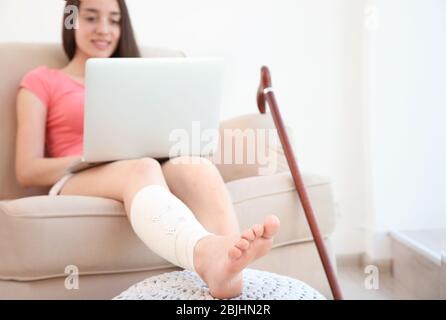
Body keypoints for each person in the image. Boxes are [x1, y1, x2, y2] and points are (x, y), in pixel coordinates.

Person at [15, 0, 280, 299]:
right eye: (91, 18)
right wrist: (90, 157)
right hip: (77, 176)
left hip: (145, 162)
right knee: (143, 168)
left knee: (194, 165)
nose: (104, 29)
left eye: (114, 20)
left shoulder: (137, 79)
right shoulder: (41, 80)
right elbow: (26, 169)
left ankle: (231, 267)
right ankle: (205, 254)